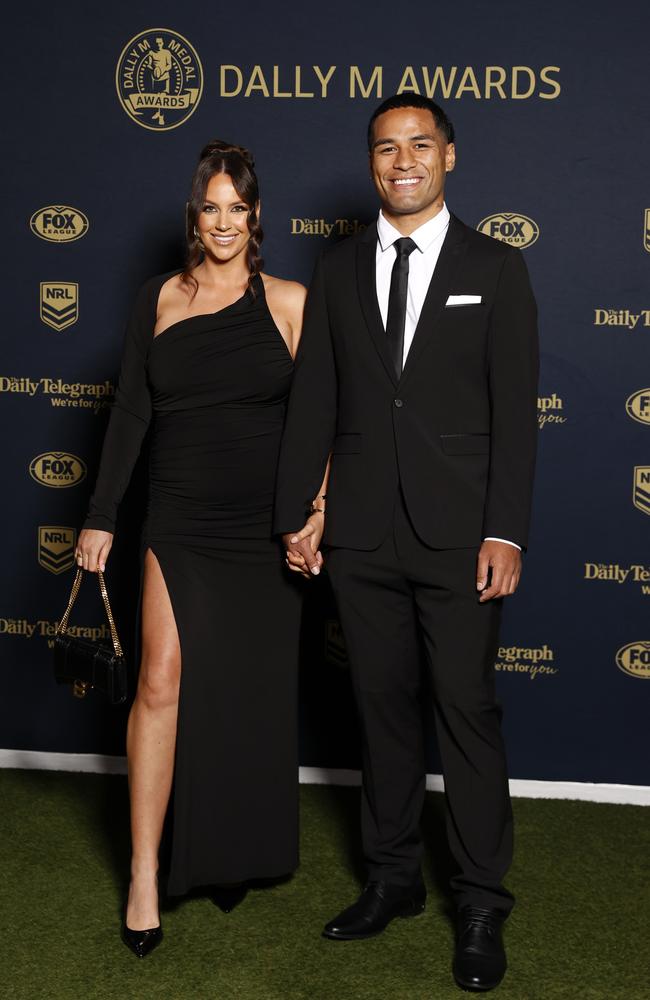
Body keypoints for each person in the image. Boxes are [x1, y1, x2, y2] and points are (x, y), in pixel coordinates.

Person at [274, 94, 538, 993]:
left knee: (465, 712)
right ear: (373, 164)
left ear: (450, 157)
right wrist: (301, 513)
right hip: (361, 538)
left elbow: (516, 415)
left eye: (420, 145)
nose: (403, 161)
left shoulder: (497, 267)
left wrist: (505, 528)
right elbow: (317, 401)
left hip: (462, 538)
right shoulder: (338, 265)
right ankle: (391, 881)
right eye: (386, 149)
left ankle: (479, 901)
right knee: (379, 713)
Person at [76, 140, 309, 958]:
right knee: (160, 681)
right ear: (194, 214)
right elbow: (131, 413)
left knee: (244, 692)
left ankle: (231, 851)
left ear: (255, 217)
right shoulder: (159, 299)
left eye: (236, 208)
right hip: (178, 515)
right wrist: (102, 514)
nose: (222, 222)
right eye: (209, 207)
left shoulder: (289, 302)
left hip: (260, 525)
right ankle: (145, 871)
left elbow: (324, 422)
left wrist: (315, 510)